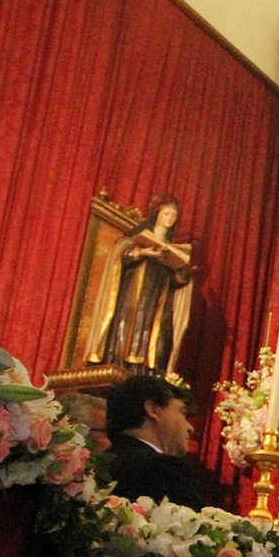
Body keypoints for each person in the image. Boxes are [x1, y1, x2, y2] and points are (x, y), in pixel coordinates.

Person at [85, 196, 195, 378]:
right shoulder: (138, 237)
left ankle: (146, 372)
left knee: (157, 335)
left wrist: (183, 274)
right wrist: (142, 252)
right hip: (136, 290)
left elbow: (176, 281)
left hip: (160, 295)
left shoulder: (173, 247)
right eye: (166, 213)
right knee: (129, 325)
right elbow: (120, 255)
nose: (169, 218)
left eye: (173, 216)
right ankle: (121, 366)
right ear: (157, 215)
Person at [102, 375, 203, 508]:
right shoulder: (165, 469)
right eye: (182, 413)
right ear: (152, 410)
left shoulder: (94, 466)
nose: (190, 428)